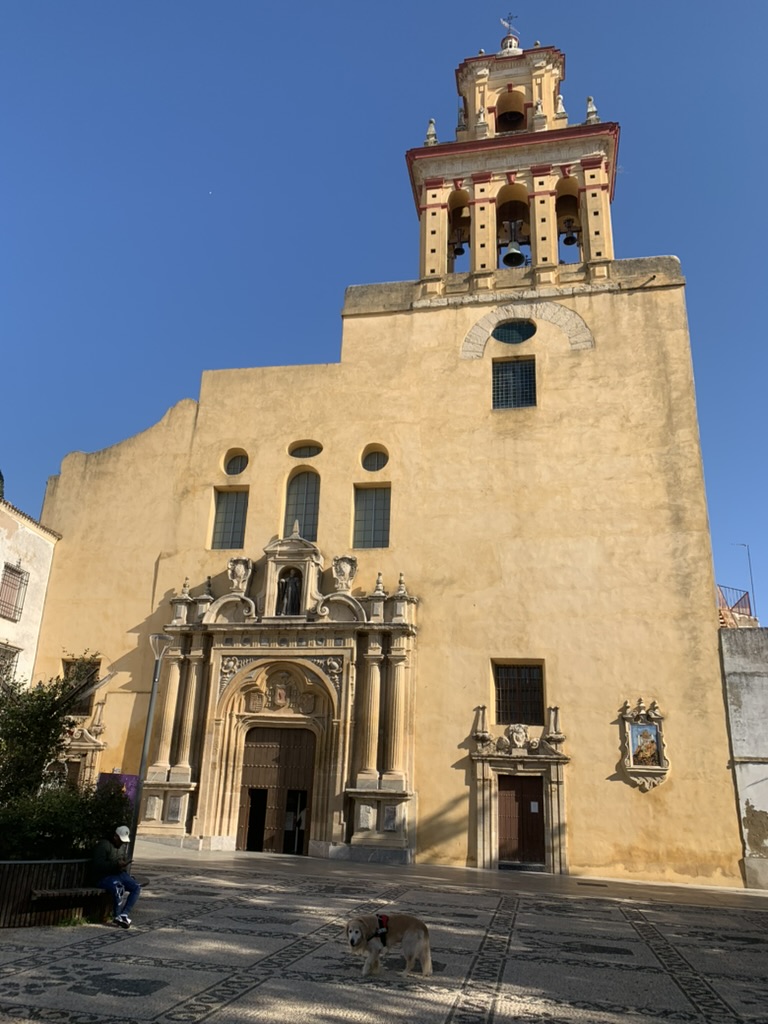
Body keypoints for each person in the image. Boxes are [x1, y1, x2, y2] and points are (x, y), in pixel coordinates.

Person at [90, 825, 141, 928]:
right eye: (121, 840)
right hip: (104, 876)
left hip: (118, 873)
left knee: (136, 887)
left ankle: (124, 914)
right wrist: (115, 865)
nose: (122, 843)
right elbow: (98, 865)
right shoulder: (103, 845)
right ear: (115, 836)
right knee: (118, 887)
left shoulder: (121, 847)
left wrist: (123, 866)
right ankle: (117, 915)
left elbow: (122, 859)